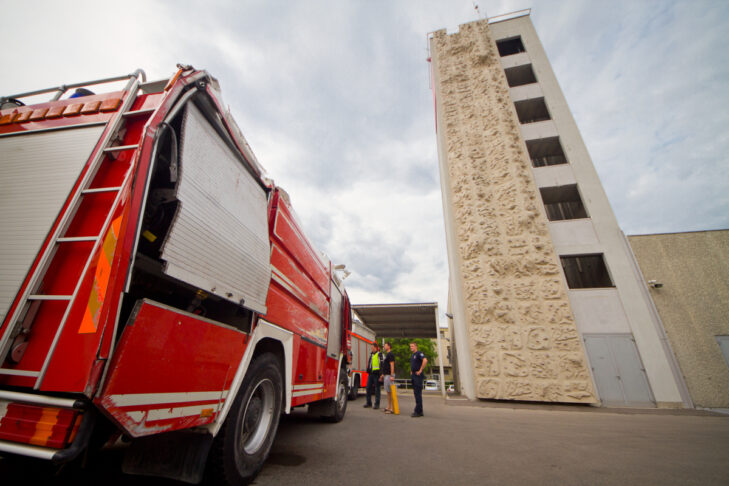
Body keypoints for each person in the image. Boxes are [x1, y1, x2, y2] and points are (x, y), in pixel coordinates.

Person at [409, 342, 427, 417]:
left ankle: (418, 411)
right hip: (413, 375)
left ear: (416, 346)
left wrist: (420, 370)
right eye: (410, 346)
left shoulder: (419, 353)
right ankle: (420, 410)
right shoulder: (412, 355)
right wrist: (411, 371)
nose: (411, 347)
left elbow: (425, 360)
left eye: (412, 346)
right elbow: (413, 364)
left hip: (418, 376)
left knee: (418, 394)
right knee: (416, 393)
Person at [363, 342, 381, 409]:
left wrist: (381, 374)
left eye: (372, 347)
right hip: (370, 374)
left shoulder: (379, 354)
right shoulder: (371, 355)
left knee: (377, 389)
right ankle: (368, 403)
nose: (371, 349)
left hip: (376, 374)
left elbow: (381, 364)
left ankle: (377, 404)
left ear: (375, 347)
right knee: (368, 388)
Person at [380, 342, 396, 414]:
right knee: (388, 392)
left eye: (385, 345)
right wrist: (383, 374)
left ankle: (392, 408)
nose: (384, 347)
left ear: (389, 346)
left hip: (389, 376)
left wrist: (392, 376)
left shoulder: (391, 354)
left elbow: (392, 365)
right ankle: (388, 406)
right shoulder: (387, 355)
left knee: (391, 392)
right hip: (386, 375)